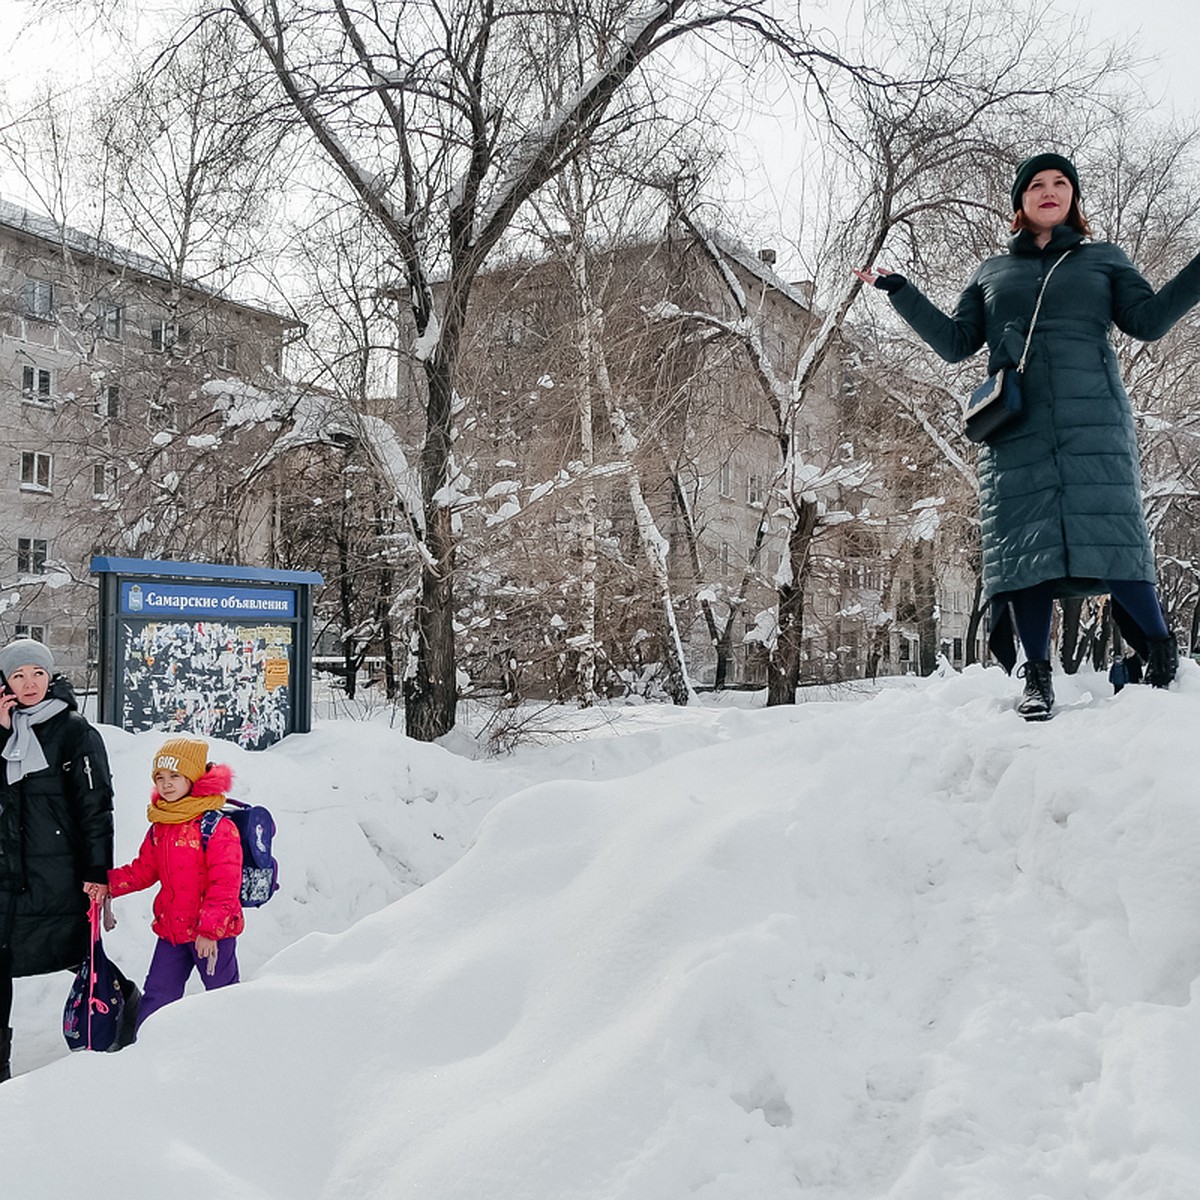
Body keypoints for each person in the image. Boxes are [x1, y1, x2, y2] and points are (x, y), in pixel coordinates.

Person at [855, 152, 1196, 719]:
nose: (1049, 191)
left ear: (1073, 198)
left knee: (1116, 539)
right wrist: (901, 291)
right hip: (1018, 427)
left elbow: (1150, 322)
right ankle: (1037, 679)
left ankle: (1161, 658)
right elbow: (957, 342)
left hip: (1095, 426)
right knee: (1025, 554)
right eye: (1036, 184)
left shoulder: (1104, 260)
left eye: (1061, 183)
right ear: (1020, 200)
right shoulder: (992, 273)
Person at [0, 638, 114, 1082]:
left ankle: (126, 1009)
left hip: (58, 873)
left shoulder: (73, 731)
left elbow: (95, 805)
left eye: (38, 674)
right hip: (7, 872)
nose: (29, 684)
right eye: (18, 675)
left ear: (50, 678)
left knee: (78, 953)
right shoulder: (5, 727)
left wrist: (97, 870)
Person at [108, 735, 243, 1028]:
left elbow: (225, 885)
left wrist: (209, 930)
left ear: (193, 779)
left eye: (175, 776)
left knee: (224, 996)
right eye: (160, 777)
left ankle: (235, 1046)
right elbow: (143, 871)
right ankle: (142, 1053)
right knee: (157, 998)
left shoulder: (216, 827)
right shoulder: (162, 825)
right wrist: (106, 885)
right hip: (172, 932)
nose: (165, 783)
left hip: (212, 935)